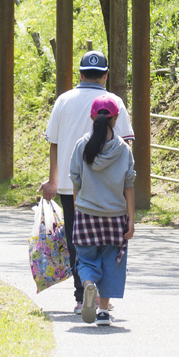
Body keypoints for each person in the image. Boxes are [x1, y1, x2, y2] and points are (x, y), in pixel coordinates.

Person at [41, 50, 135, 315]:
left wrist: (53, 180)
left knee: (77, 241)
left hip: (73, 187)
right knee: (109, 243)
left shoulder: (64, 100)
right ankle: (102, 296)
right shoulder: (114, 101)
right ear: (106, 75)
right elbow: (127, 144)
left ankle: (83, 294)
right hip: (110, 189)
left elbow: (54, 143)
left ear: (80, 74)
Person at [68, 94, 136, 327]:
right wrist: (131, 220)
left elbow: (75, 180)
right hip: (115, 217)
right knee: (111, 263)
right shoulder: (124, 150)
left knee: (86, 258)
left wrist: (79, 208)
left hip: (86, 213)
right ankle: (104, 312)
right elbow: (129, 185)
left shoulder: (81, 146)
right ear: (115, 119)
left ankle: (88, 286)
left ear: (91, 117)